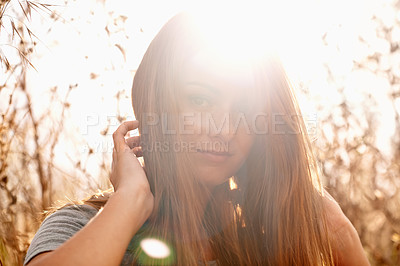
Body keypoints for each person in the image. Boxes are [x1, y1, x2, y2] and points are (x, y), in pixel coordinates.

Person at [24, 11, 370, 266]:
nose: (223, 129)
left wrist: (339, 231)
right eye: (200, 100)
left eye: (246, 112)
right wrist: (130, 200)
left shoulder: (262, 245)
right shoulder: (78, 227)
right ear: (154, 102)